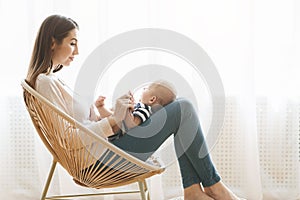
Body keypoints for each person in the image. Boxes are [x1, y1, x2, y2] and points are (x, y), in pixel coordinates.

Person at [25, 14, 245, 200]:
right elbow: (69, 139)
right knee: (183, 108)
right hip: (101, 161)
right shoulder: (45, 83)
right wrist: (112, 121)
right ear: (52, 42)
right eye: (72, 42)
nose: (77, 50)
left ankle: (194, 191)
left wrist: (113, 113)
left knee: (177, 107)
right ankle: (213, 186)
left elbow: (82, 127)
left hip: (106, 151)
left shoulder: (51, 81)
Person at [95, 80, 177, 136]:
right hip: (115, 129)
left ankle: (101, 109)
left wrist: (127, 110)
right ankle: (101, 108)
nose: (143, 89)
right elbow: (120, 118)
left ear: (152, 99)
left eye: (146, 89)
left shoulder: (145, 111)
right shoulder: (141, 108)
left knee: (114, 118)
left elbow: (131, 124)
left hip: (117, 134)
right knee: (113, 117)